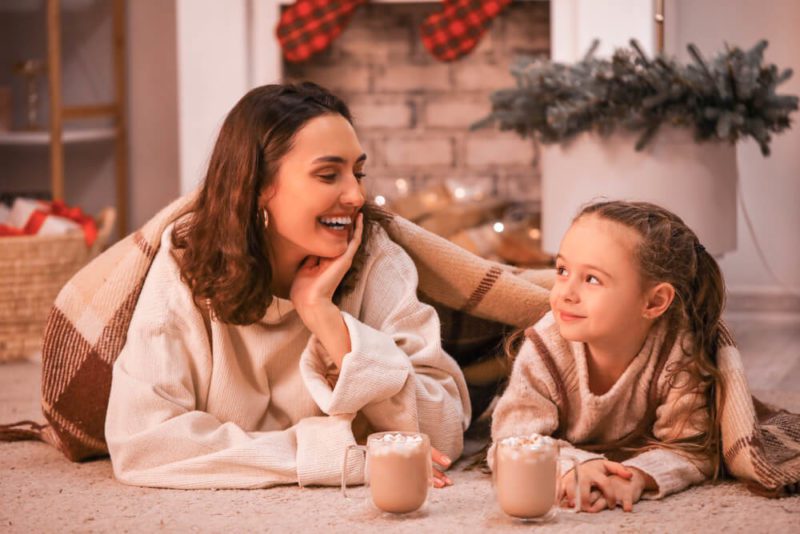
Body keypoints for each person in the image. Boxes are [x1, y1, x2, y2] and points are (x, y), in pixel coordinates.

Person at [104, 82, 471, 489]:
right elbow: (142, 442)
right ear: (258, 186)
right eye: (329, 174)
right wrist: (344, 457)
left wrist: (324, 316)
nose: (356, 195)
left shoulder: (375, 254)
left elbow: (442, 435)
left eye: (359, 173)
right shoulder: (184, 259)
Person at [491, 200, 726, 512]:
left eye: (591, 279)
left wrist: (637, 475)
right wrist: (574, 465)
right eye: (562, 270)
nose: (565, 293)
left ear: (654, 302)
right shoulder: (545, 347)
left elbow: (694, 447)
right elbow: (510, 442)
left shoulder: (677, 353)